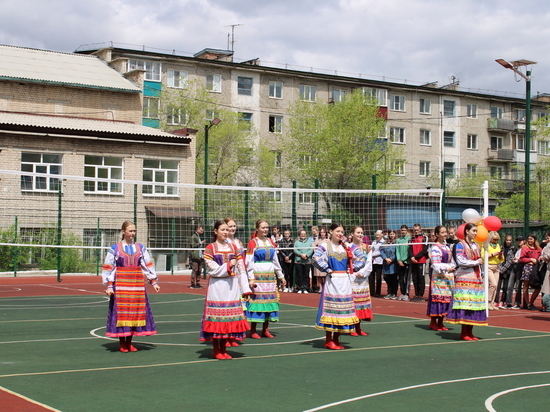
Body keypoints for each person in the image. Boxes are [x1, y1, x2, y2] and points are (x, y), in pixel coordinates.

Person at [102, 221, 160, 353]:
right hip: (121, 285)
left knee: (134, 314)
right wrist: (109, 285)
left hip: (136, 285)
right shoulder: (115, 248)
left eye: (134, 231)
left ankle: (129, 342)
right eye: (130, 231)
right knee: (122, 314)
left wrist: (153, 281)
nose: (132, 234)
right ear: (123, 231)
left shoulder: (140, 248)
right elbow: (110, 267)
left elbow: (147, 265)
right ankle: (122, 342)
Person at [200, 221, 251, 360]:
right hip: (217, 286)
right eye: (222, 229)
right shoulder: (210, 248)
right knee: (218, 319)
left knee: (227, 319)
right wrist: (229, 265)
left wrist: (245, 288)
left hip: (232, 286)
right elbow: (213, 269)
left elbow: (241, 268)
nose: (225, 232)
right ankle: (216, 349)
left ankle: (223, 348)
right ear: (215, 231)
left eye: (227, 230)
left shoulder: (234, 247)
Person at [312, 223, 365, 350]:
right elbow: (315, 258)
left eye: (342, 231)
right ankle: (329, 340)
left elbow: (362, 257)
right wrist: (327, 269)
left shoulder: (347, 246)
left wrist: (352, 268)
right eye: (337, 231)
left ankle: (336, 338)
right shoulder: (325, 246)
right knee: (332, 309)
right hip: (333, 281)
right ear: (331, 232)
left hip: (345, 282)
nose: (340, 233)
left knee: (341, 310)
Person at [245, 219, 286, 338]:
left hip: (269, 275)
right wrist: (251, 278)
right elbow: (249, 261)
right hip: (258, 275)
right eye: (263, 227)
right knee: (257, 301)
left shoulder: (270, 241)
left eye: (267, 227)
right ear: (257, 229)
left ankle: (265, 329)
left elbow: (275, 260)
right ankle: (253, 329)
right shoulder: (253, 243)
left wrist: (281, 276)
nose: (265, 230)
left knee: (269, 300)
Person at [446, 223, 487, 340]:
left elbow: (479, 261)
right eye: (473, 231)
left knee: (474, 305)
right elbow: (460, 261)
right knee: (466, 304)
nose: (475, 233)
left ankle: (470, 331)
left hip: (475, 278)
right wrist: (476, 262)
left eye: (476, 231)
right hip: (464, 278)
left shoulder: (476, 246)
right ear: (467, 231)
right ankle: (464, 332)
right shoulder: (460, 245)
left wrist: (481, 272)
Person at [427, 225, 455, 331]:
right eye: (442, 232)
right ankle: (433, 322)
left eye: (445, 232)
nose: (445, 234)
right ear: (437, 234)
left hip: (447, 277)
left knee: (446, 299)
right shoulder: (435, 247)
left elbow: (451, 260)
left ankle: (441, 322)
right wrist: (448, 268)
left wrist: (452, 267)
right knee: (437, 299)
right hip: (439, 277)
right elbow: (435, 264)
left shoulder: (446, 246)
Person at [350, 226, 373, 336]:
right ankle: (351, 328)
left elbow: (369, 263)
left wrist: (363, 273)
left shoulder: (367, 247)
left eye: (361, 233)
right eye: (358, 232)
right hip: (352, 279)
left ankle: (358, 327)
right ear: (352, 234)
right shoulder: (347, 247)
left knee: (360, 304)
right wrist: (354, 273)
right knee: (352, 303)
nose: (360, 235)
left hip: (362, 279)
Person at [518, 233, 542, 310]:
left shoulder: (539, 249)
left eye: (531, 239)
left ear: (535, 240)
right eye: (528, 239)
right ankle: (528, 304)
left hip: (536, 269)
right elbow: (521, 259)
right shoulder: (525, 248)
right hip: (527, 268)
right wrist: (530, 259)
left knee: (538, 287)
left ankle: (531, 302)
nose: (529, 240)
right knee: (526, 286)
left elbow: (541, 257)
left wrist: (537, 261)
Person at [482, 232, 504, 310]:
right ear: (490, 238)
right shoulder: (485, 245)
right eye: (494, 239)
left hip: (497, 266)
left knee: (496, 286)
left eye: (497, 240)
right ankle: (487, 301)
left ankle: (492, 303)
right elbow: (483, 256)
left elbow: (502, 259)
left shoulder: (497, 245)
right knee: (493, 284)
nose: (496, 241)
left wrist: (501, 255)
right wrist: (492, 254)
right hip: (489, 266)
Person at [503, 236, 525, 309]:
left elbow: (524, 258)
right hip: (514, 266)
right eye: (518, 240)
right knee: (510, 286)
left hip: (520, 267)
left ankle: (517, 303)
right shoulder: (517, 249)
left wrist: (518, 259)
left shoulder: (525, 249)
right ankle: (508, 303)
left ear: (524, 241)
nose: (519, 242)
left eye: (520, 240)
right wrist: (514, 260)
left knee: (518, 286)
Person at [409, 223, 429, 302]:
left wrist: (416, 257)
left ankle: (421, 295)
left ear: (420, 229)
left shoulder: (424, 237)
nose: (416, 231)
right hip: (413, 261)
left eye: (417, 230)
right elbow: (409, 249)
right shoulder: (411, 238)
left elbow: (424, 250)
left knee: (421, 277)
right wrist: (412, 257)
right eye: (415, 230)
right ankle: (416, 294)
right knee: (414, 278)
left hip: (421, 260)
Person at [294, 229, 314, 294]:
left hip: (307, 261)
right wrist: (301, 254)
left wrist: (306, 255)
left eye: (304, 234)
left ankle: (306, 287)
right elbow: (295, 250)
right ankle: (299, 287)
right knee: (299, 275)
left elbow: (311, 250)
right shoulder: (296, 242)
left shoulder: (309, 242)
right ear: (299, 235)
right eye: (301, 234)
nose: (303, 235)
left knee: (306, 275)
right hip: (298, 261)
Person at [497, 234, 514, 308]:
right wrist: (500, 268)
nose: (508, 242)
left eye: (510, 240)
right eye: (507, 240)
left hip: (507, 270)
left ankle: (503, 301)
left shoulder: (513, 249)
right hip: (500, 269)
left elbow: (510, 261)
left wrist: (503, 269)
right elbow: (499, 258)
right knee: (497, 286)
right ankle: (496, 301)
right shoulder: (501, 248)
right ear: (505, 240)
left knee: (506, 287)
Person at [381, 229, 398, 299]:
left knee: (394, 279)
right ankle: (389, 292)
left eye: (393, 234)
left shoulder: (397, 242)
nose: (392, 235)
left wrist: (391, 259)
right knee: (387, 279)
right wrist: (385, 258)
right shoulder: (385, 243)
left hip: (393, 264)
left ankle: (394, 293)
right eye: (390, 234)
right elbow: (381, 251)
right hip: (386, 264)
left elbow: (397, 252)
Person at [396, 225, 411, 301]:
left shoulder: (409, 239)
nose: (403, 231)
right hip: (400, 262)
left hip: (407, 261)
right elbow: (397, 250)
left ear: (407, 231)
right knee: (401, 278)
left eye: (405, 230)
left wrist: (405, 259)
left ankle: (406, 293)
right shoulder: (398, 240)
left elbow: (409, 251)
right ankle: (402, 293)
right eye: (402, 230)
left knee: (407, 278)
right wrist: (399, 260)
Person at [312, 226, 328, 293]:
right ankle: (320, 288)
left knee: (324, 275)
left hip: (325, 259)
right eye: (321, 232)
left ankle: (325, 288)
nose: (322, 234)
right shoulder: (318, 239)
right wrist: (316, 250)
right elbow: (313, 244)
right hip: (318, 259)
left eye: (323, 232)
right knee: (319, 275)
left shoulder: (328, 240)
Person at [189, 225, 205, 289]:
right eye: (201, 230)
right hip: (195, 256)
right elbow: (193, 245)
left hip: (199, 256)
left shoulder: (198, 236)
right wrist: (200, 243)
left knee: (199, 270)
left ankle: (198, 283)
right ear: (197, 229)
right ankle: (192, 284)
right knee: (195, 270)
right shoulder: (193, 237)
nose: (202, 231)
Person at [369, 230, 385, 297]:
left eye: (378, 235)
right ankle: (371, 292)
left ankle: (378, 292)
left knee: (378, 277)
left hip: (379, 261)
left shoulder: (383, 242)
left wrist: (372, 255)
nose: (377, 236)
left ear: (381, 235)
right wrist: (370, 255)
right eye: (376, 235)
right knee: (371, 276)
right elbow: (371, 249)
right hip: (373, 261)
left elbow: (380, 252)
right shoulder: (374, 242)